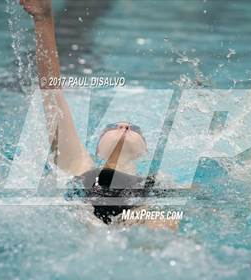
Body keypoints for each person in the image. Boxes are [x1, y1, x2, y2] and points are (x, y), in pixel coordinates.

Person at [20, 0, 178, 229]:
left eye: (133, 128)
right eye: (113, 126)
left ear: (144, 152)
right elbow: (52, 96)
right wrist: (43, 19)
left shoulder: (158, 185)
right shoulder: (79, 165)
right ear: (97, 149)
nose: (124, 126)